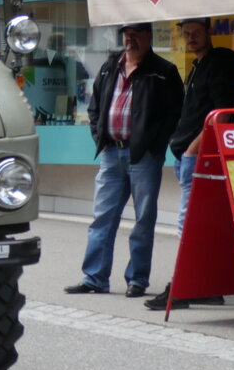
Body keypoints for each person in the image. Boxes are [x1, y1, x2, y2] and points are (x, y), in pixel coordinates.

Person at [65, 21, 184, 297]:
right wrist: (100, 136)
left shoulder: (163, 71)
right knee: (102, 217)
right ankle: (94, 277)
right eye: (126, 34)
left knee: (143, 219)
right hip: (111, 153)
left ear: (148, 36)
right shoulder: (110, 66)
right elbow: (95, 107)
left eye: (135, 34)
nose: (130, 39)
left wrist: (154, 146)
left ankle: (137, 280)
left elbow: (175, 113)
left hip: (143, 156)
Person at [145, 18, 234, 310]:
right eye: (186, 33)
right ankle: (206, 287)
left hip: (200, 157)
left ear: (209, 32)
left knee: (187, 226)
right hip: (189, 155)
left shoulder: (219, 64)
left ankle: (181, 287)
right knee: (201, 227)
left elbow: (222, 115)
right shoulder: (200, 65)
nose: (190, 38)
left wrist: (191, 150)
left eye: (196, 32)